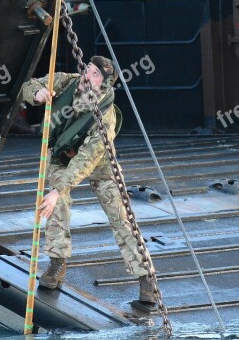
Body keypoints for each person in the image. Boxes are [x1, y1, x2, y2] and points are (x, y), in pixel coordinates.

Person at [21, 56, 156, 304]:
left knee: (121, 218)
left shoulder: (105, 117)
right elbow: (25, 85)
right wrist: (37, 93)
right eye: (89, 70)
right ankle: (57, 262)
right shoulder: (66, 82)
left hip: (100, 165)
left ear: (103, 85)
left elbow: (86, 160)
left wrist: (58, 190)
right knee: (55, 206)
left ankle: (146, 278)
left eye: (95, 75)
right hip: (63, 157)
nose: (87, 76)